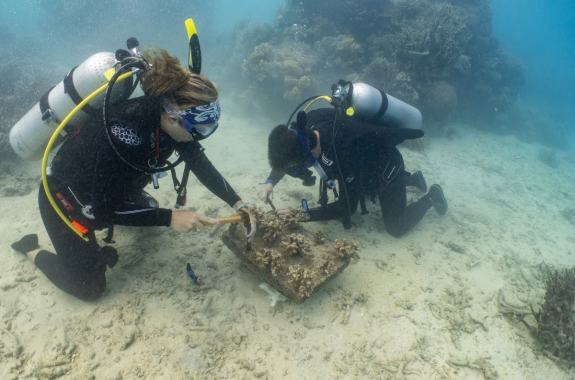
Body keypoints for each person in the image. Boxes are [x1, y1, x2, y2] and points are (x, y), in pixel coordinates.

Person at [10, 48, 256, 301]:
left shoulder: (168, 118)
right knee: (90, 287)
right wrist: (170, 218)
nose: (199, 137)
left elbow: (198, 162)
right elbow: (104, 209)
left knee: (149, 208)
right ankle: (30, 249)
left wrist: (237, 202)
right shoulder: (126, 133)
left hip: (108, 189)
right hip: (66, 198)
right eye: (199, 129)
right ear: (173, 116)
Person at [259, 106, 447, 236]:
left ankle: (432, 196)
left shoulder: (344, 153)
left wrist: (302, 215)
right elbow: (285, 156)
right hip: (365, 164)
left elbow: (347, 207)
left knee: (396, 227)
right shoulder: (304, 127)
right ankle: (413, 180)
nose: (300, 170)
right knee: (362, 184)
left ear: (307, 156)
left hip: (386, 167)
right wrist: (269, 183)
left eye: (299, 167)